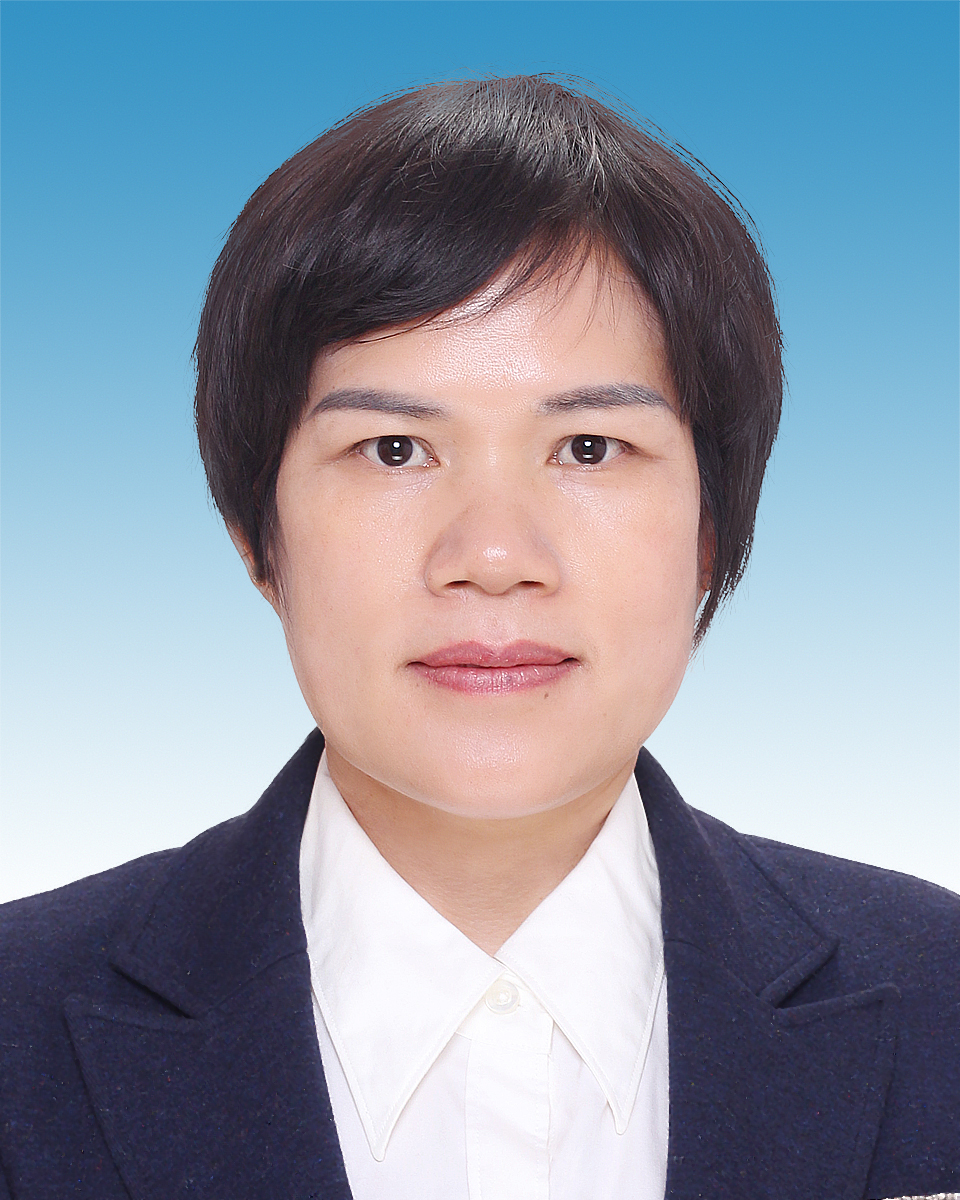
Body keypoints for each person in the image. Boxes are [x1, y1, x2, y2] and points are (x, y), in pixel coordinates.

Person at [1, 76, 957, 1200]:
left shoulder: (939, 995)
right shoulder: (20, 1021)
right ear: (257, 535)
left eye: (590, 449)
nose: (495, 554)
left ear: (711, 529)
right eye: (394, 450)